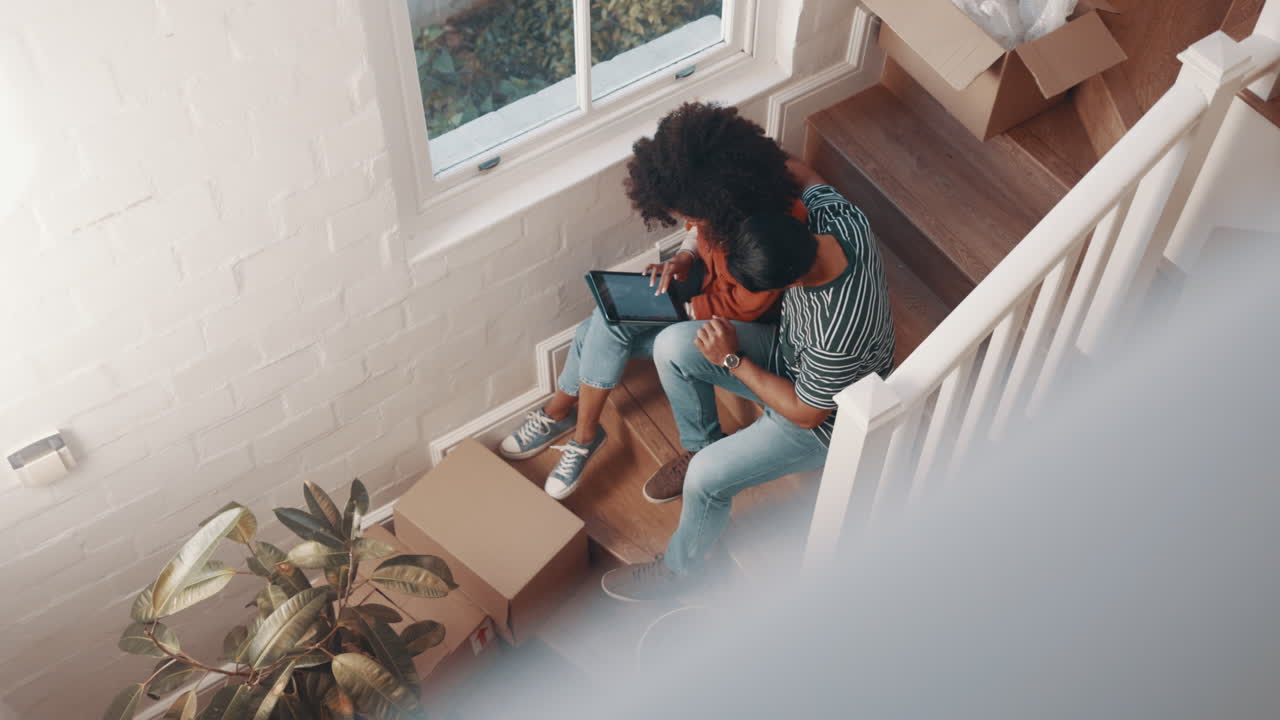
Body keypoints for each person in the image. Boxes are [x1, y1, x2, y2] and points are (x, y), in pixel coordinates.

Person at [601, 161, 896, 600]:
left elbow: (806, 413)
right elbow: (801, 171)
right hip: (791, 350)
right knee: (672, 346)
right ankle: (703, 445)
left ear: (791, 283)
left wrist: (732, 360)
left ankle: (682, 571)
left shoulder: (838, 332)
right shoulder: (838, 219)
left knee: (706, 478)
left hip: (825, 415)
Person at [498, 103, 802, 501]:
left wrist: (682, 311)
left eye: (692, 215)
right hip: (707, 293)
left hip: (748, 326)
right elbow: (698, 228)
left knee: (605, 325)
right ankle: (567, 419)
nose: (689, 221)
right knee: (605, 319)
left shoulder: (771, 234)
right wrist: (684, 257)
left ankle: (578, 427)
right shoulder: (720, 199)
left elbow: (747, 305)